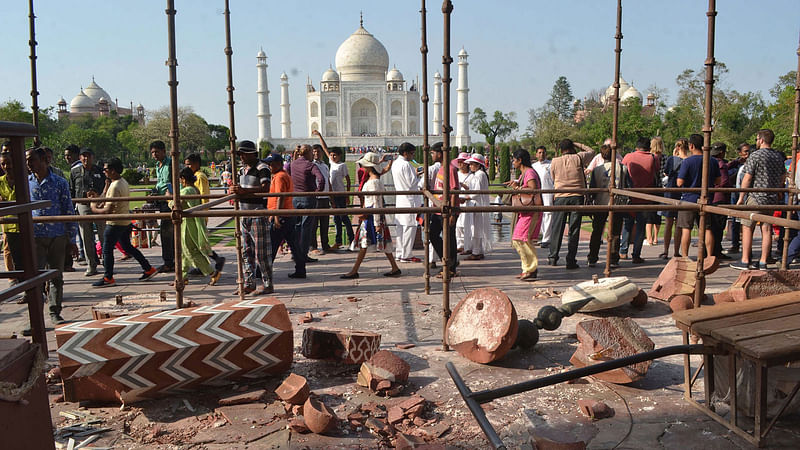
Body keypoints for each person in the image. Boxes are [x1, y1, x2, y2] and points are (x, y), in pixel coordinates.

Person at [24, 147, 79, 332]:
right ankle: (35, 319)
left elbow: (68, 209)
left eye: (32, 160)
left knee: (56, 276)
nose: (29, 164)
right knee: (36, 278)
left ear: (43, 160)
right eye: (27, 160)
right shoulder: (26, 183)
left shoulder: (59, 182)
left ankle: (55, 312)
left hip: (57, 235)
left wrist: (72, 239)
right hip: (36, 236)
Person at [89, 158, 159, 287]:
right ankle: (148, 268)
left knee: (107, 249)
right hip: (124, 220)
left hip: (115, 222)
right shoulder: (122, 182)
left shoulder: (115, 186)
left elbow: (108, 209)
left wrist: (93, 207)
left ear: (113, 171)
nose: (104, 171)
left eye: (106, 169)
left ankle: (108, 277)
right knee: (127, 247)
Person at [341, 152, 401, 279]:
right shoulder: (374, 178)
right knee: (381, 242)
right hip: (373, 215)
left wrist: (377, 222)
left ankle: (354, 270)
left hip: (372, 216)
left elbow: (377, 203)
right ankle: (394, 267)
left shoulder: (374, 182)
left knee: (365, 243)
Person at [732, 129, 786, 270]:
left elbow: (748, 177)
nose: (756, 141)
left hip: (755, 197)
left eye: (757, 139)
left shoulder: (755, 156)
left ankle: (745, 260)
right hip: (771, 198)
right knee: (767, 228)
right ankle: (763, 261)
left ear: (761, 140)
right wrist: (779, 192)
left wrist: (741, 197)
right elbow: (782, 177)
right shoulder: (777, 156)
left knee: (747, 226)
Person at [232, 140, 274, 294]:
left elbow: (266, 188)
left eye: (244, 153)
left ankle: (268, 283)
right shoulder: (242, 170)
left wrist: (244, 191)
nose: (241, 157)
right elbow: (241, 190)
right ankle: (249, 282)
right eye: (240, 154)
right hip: (244, 214)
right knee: (246, 251)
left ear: (252, 154)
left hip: (257, 213)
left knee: (261, 252)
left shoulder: (262, 168)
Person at [548, 139, 594, 269]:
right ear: (572, 147)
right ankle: (571, 260)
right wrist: (578, 143)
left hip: (560, 196)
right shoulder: (579, 157)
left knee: (557, 228)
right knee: (574, 229)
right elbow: (592, 151)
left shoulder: (555, 161)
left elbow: (553, 177)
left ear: (561, 149)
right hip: (576, 196)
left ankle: (553, 257)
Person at [173, 167, 221, 286]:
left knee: (191, 252)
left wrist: (169, 197)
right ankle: (182, 276)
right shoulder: (194, 189)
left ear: (183, 179)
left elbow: (174, 204)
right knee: (184, 252)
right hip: (191, 223)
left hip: (188, 225)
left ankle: (212, 272)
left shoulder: (186, 191)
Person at [676, 134, 721, 259]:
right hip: (706, 198)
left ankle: (685, 256)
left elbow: (679, 182)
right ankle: (710, 256)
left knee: (686, 229)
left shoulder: (687, 161)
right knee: (707, 229)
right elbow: (718, 181)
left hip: (688, 198)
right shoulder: (712, 160)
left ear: (691, 146)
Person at [587, 144, 630, 268]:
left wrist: (593, 199)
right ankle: (613, 258)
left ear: (601, 155)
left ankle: (592, 257)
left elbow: (593, 189)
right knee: (616, 232)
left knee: (597, 231)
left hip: (601, 203)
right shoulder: (623, 168)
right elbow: (627, 186)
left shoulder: (597, 169)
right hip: (617, 203)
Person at [264, 153, 306, 278]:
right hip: (287, 214)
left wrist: (276, 216)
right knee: (293, 244)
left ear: (277, 164)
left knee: (272, 245)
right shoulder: (281, 175)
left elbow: (280, 197)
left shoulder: (280, 177)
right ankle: (300, 269)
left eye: (270, 164)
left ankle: (262, 271)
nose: (269, 167)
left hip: (281, 215)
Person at [622, 137, 661, 264]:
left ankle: (623, 251)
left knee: (627, 224)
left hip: (630, 196)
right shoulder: (653, 159)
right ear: (649, 147)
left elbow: (622, 171)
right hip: (646, 197)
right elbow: (657, 173)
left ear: (637, 147)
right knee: (640, 227)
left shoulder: (628, 157)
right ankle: (636, 254)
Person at [184, 153, 225, 273]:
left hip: (198, 213)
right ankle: (203, 264)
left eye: (189, 165)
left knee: (198, 242)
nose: (187, 167)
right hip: (196, 213)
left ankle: (215, 260)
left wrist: (199, 211)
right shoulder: (194, 176)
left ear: (196, 164)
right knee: (197, 242)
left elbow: (203, 196)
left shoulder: (199, 177)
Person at [506, 148, 542, 280]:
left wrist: (518, 188)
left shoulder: (529, 173)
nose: (513, 162)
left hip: (531, 211)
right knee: (520, 239)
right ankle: (527, 268)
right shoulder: (524, 173)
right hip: (526, 211)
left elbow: (533, 189)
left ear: (520, 160)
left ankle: (530, 269)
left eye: (514, 160)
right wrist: (516, 183)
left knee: (521, 239)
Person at [70, 147, 106, 277]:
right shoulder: (75, 172)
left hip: (99, 204)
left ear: (93, 157)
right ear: (80, 158)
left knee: (103, 235)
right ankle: (91, 264)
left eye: (88, 156)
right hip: (83, 205)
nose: (86, 158)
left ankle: (107, 262)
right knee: (86, 237)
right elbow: (72, 190)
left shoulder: (100, 171)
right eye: (83, 156)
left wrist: (100, 197)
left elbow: (105, 186)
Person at [317, 134, 355, 250]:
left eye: (335, 155)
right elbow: (324, 148)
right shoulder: (331, 163)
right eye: (332, 155)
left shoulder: (342, 165)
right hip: (332, 194)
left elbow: (348, 180)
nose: (332, 157)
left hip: (340, 194)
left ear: (340, 156)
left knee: (343, 217)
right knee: (336, 218)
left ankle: (352, 240)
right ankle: (338, 242)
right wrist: (319, 136)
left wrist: (348, 194)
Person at [287, 144, 324, 262]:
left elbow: (287, 173)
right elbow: (321, 179)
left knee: (297, 227)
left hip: (295, 198)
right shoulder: (310, 165)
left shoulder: (292, 164)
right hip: (308, 197)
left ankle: (295, 253)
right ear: (308, 153)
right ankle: (302, 255)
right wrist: (318, 191)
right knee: (306, 228)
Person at [428, 142, 460, 277]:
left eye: (433, 153)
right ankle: (447, 260)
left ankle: (450, 267)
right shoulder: (441, 168)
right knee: (433, 235)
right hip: (438, 209)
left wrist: (452, 212)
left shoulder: (450, 169)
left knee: (449, 238)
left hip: (447, 210)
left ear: (439, 154)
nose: (431, 155)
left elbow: (454, 190)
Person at [391, 142, 422, 263]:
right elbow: (411, 184)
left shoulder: (396, 163)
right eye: (412, 154)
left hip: (400, 198)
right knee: (409, 228)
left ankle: (400, 253)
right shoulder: (406, 165)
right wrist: (420, 177)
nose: (413, 156)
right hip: (409, 200)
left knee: (400, 228)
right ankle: (407, 255)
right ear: (405, 153)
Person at [660, 138, 689, 259]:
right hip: (683, 191)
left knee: (668, 223)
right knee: (679, 225)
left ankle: (665, 250)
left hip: (671, 191)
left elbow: (666, 172)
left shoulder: (672, 159)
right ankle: (677, 251)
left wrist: (673, 156)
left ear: (677, 148)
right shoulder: (688, 160)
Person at [149, 140, 175, 272]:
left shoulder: (170, 164)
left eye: (157, 152)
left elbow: (175, 182)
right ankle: (171, 260)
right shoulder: (158, 166)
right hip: (162, 200)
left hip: (170, 201)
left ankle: (169, 262)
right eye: (152, 152)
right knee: (168, 232)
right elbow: (161, 183)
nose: (154, 154)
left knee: (166, 232)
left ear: (164, 151)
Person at [0, 153, 23, 290]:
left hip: (25, 224)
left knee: (31, 258)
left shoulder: (24, 179)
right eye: (3, 164)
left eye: (9, 163)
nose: (6, 166)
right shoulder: (1, 181)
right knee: (16, 258)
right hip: (9, 225)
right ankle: (24, 289)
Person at [464, 154, 492, 260]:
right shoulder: (477, 175)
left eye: (472, 164)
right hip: (476, 203)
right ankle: (478, 250)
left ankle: (476, 252)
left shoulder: (480, 174)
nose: (470, 166)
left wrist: (466, 197)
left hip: (478, 204)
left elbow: (476, 192)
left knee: (476, 228)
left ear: (478, 165)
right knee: (477, 228)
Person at [709, 142, 732, 259]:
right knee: (718, 227)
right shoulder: (721, 164)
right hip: (720, 198)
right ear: (722, 152)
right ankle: (716, 251)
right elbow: (723, 182)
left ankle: (713, 250)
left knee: (712, 227)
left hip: (712, 197)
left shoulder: (710, 162)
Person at [726, 143, 751, 254]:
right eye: (745, 152)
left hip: (747, 194)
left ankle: (747, 249)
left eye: (749, 151)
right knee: (735, 220)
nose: (747, 154)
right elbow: (727, 174)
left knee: (747, 221)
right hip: (735, 192)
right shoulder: (736, 165)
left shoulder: (753, 163)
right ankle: (735, 244)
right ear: (740, 153)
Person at [310, 137, 332, 254]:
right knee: (314, 224)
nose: (316, 154)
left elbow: (328, 182)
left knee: (325, 223)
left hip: (325, 197)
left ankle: (325, 245)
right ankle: (313, 246)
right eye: (314, 152)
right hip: (316, 198)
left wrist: (331, 196)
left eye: (318, 151)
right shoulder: (310, 165)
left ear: (321, 152)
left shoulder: (325, 165)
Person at [531, 146, 554, 247]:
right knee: (539, 214)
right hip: (537, 193)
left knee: (548, 214)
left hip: (548, 192)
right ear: (536, 154)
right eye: (539, 153)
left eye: (543, 152)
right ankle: (542, 236)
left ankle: (547, 238)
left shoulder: (551, 165)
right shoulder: (533, 166)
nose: (541, 154)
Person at [646, 137, 666, 246]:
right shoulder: (665, 158)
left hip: (651, 187)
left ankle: (649, 238)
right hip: (661, 187)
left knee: (649, 213)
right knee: (658, 214)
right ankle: (655, 237)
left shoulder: (649, 157)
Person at [454, 152, 473, 254]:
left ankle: (468, 246)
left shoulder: (472, 176)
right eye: (459, 162)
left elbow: (474, 190)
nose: (460, 164)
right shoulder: (456, 174)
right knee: (458, 226)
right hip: (457, 202)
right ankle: (460, 245)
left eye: (462, 162)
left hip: (467, 202)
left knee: (468, 225)